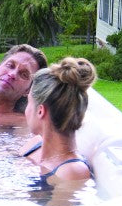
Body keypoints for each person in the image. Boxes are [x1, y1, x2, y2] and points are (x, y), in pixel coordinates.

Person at [18, 57, 96, 187]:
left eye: (29, 102)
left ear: (40, 111)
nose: (26, 110)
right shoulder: (33, 146)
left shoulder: (72, 171)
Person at [0, 44, 48, 119]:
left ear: (28, 90)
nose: (12, 74)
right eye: (10, 65)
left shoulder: (22, 126)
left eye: (24, 75)